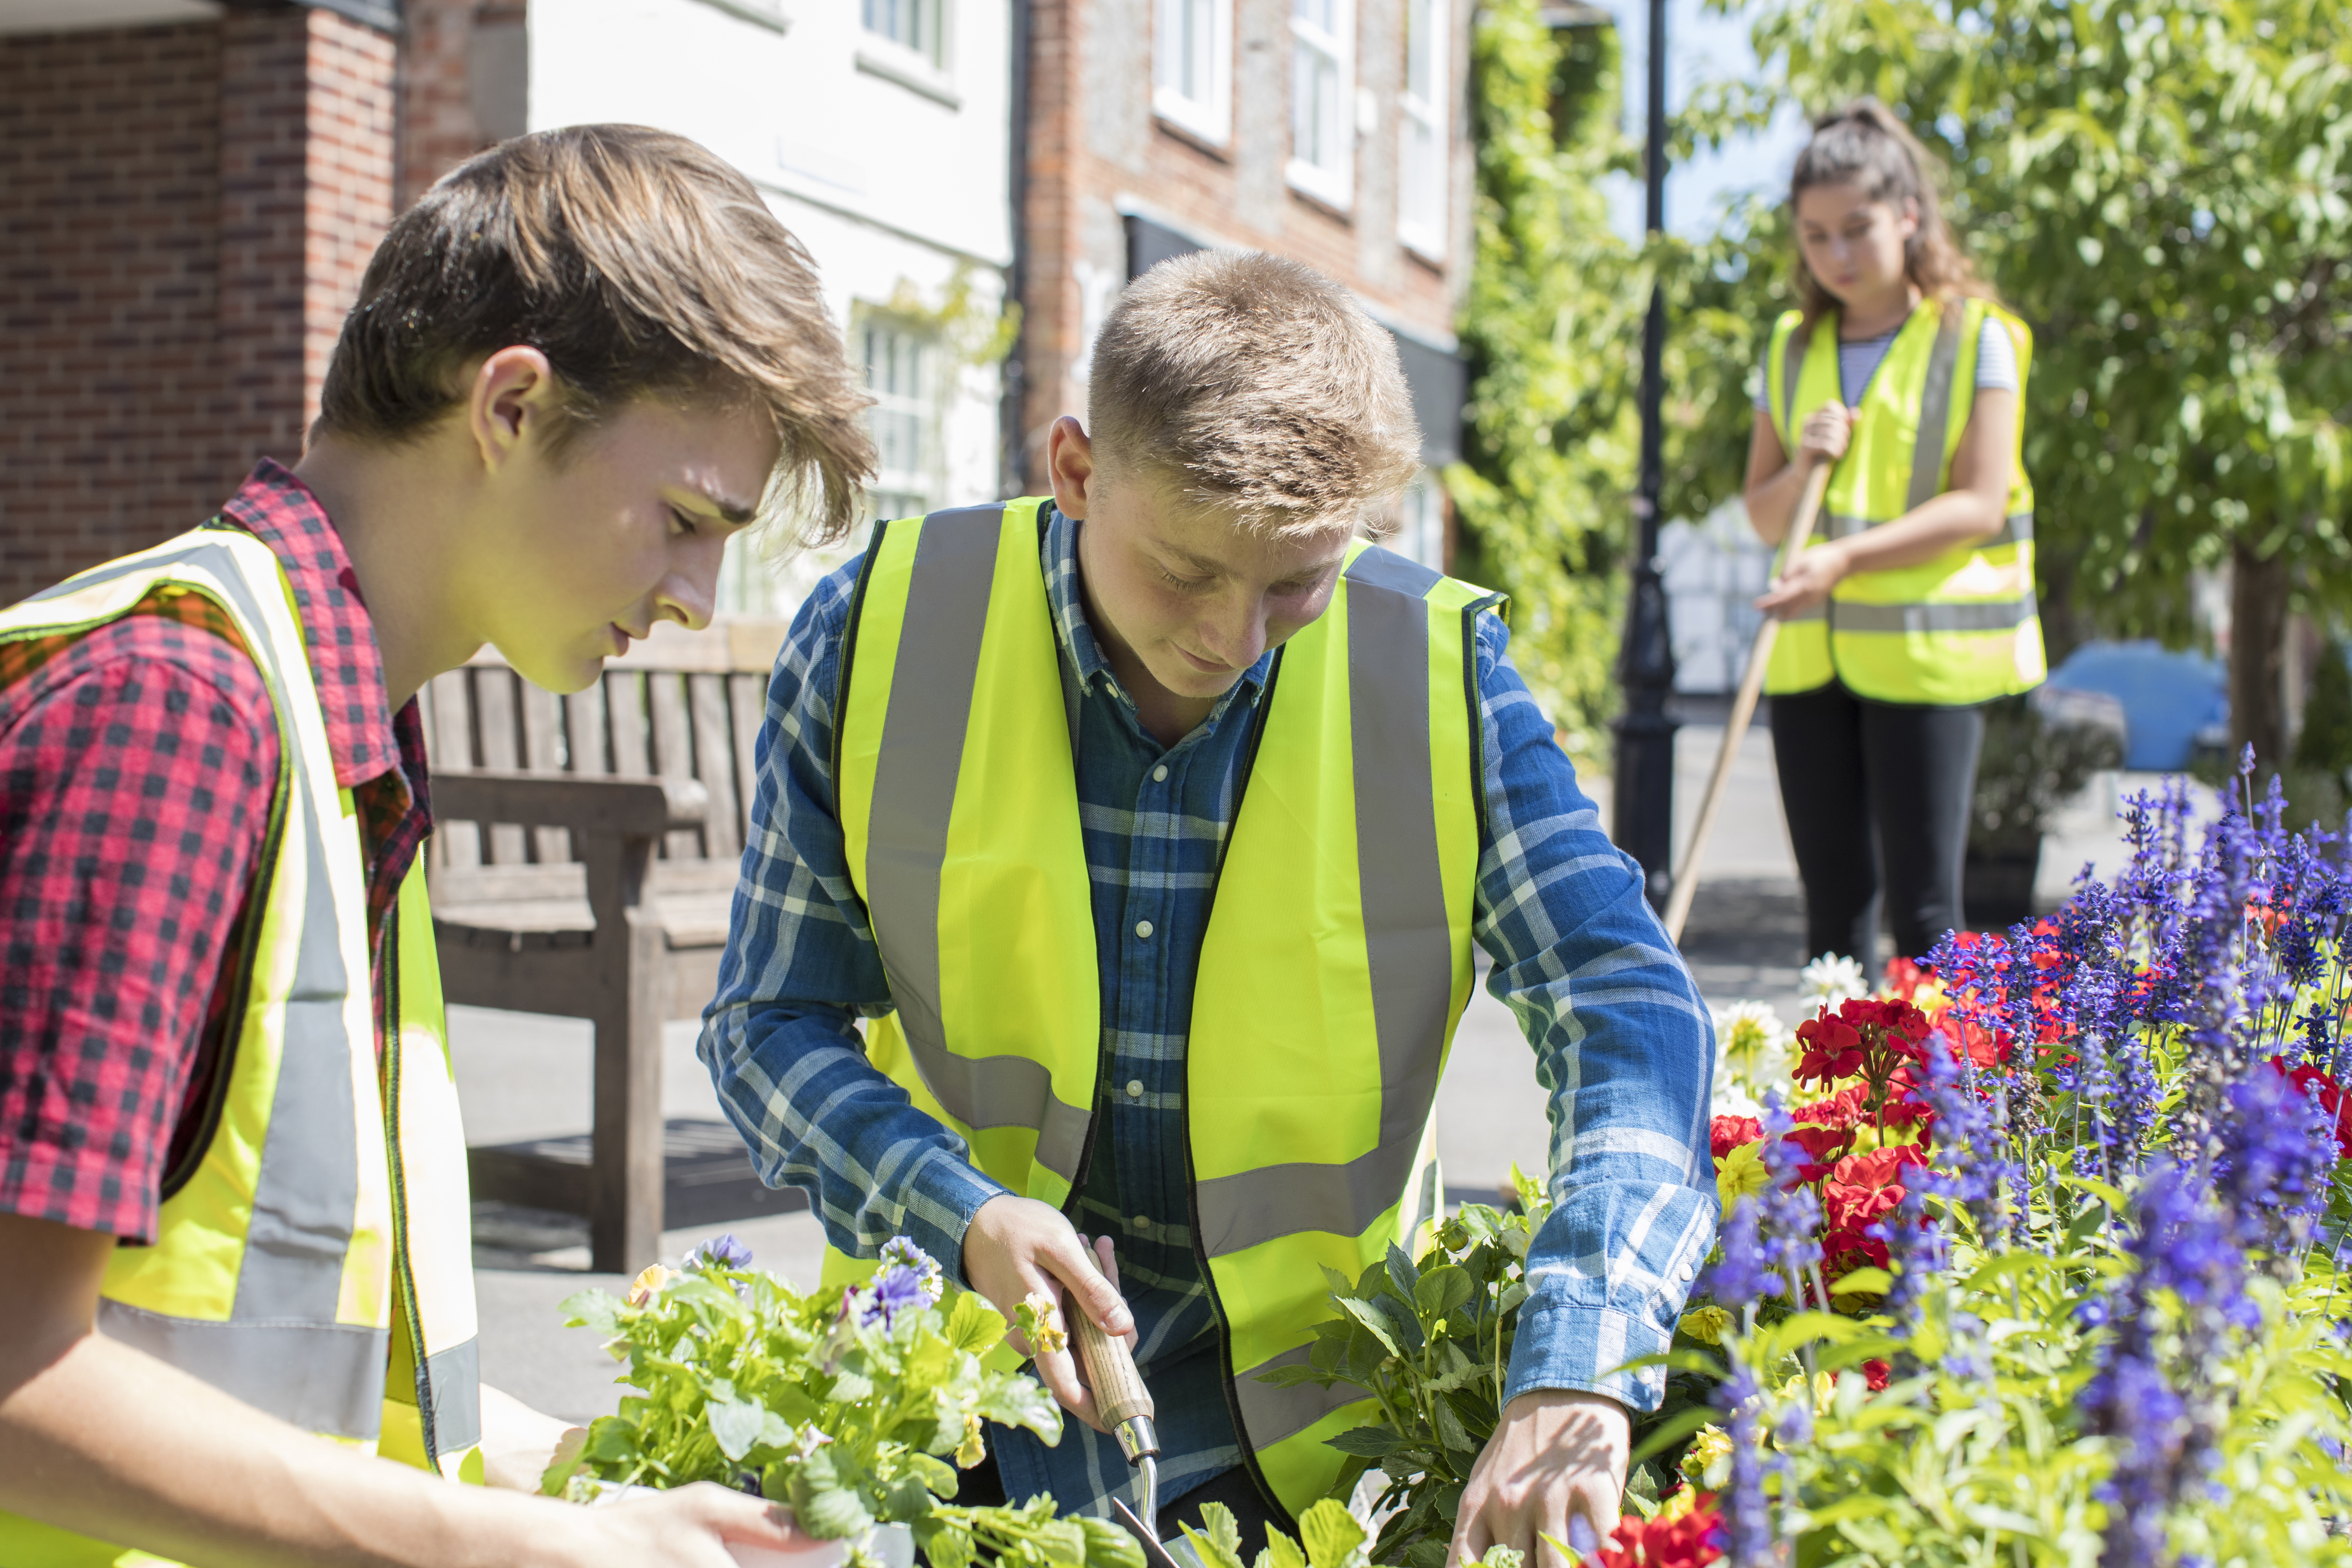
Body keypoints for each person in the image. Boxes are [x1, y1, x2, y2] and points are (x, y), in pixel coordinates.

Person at [701, 250, 1716, 1567]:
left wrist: (1577, 1363)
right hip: (948, 1404)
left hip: (1319, 1447)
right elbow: (769, 1021)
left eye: (1298, 583)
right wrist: (954, 1212)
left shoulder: (1440, 677)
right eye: (1187, 572)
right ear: (1075, 471)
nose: (1235, 638)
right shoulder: (880, 628)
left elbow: (1629, 1008)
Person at [0, 125, 874, 1566]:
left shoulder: (339, 730)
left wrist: (610, 1488)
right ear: (514, 406)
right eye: (683, 517)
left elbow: (307, 1377)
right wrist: (524, 1548)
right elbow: (18, 1372)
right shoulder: (182, 709)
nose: (692, 592)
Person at [1741, 99, 2043, 977]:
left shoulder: (1980, 337)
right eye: (1814, 235)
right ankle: (1842, 1115)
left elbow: (1981, 504)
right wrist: (1802, 468)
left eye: (1856, 230)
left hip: (1928, 657)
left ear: (1910, 215)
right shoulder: (1790, 347)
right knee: (1832, 919)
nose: (1834, 255)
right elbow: (1763, 513)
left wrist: (1841, 562)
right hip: (1806, 658)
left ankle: (1944, 1113)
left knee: (1926, 917)